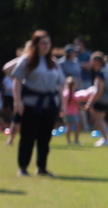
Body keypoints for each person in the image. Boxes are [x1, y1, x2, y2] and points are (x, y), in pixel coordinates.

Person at [10, 31, 66, 177]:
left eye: (48, 43)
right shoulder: (27, 60)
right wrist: (17, 101)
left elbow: (60, 85)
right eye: (43, 43)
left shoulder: (53, 62)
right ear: (36, 44)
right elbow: (16, 80)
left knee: (45, 137)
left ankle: (42, 167)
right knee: (28, 136)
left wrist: (63, 104)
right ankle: (23, 167)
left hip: (49, 104)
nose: (46, 46)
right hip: (31, 103)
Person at [85, 52, 108, 147]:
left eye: (92, 61)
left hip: (104, 99)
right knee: (100, 118)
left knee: (98, 119)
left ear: (97, 61)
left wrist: (89, 103)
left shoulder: (101, 73)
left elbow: (98, 91)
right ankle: (105, 138)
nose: (91, 63)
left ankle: (106, 139)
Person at [62, 76, 81, 145]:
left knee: (68, 127)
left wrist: (63, 111)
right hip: (73, 113)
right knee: (77, 126)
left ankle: (69, 141)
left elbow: (63, 103)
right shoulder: (73, 94)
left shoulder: (65, 94)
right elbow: (77, 103)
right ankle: (76, 140)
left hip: (67, 113)